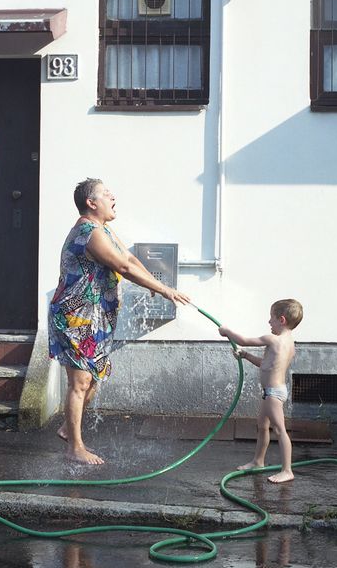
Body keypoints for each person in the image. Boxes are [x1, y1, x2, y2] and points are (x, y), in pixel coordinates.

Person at [49, 178, 191, 464]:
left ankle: (68, 428)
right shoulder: (88, 232)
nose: (113, 196)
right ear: (91, 203)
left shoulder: (104, 229)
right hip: (76, 316)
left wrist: (152, 282)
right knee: (81, 381)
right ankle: (74, 448)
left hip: (95, 316)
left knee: (93, 380)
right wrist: (165, 290)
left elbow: (128, 257)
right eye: (106, 193)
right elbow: (123, 267)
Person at [218, 299, 303, 483]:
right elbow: (266, 365)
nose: (268, 322)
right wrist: (246, 355)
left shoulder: (272, 339)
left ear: (281, 320)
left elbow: (244, 340)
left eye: (271, 318)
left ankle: (287, 470)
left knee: (280, 430)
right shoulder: (289, 345)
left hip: (273, 393)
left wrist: (227, 332)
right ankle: (258, 461)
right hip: (271, 392)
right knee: (262, 426)